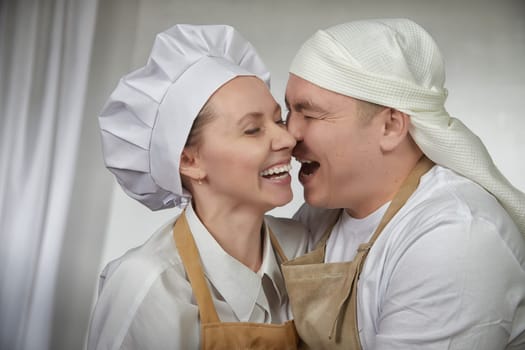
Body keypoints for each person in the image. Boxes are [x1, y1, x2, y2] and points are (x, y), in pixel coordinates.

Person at [281, 18, 525, 349]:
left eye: (310, 114)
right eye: (288, 111)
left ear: (391, 126)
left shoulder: (455, 237)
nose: (287, 135)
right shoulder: (319, 216)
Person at [87, 24, 307, 350]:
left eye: (278, 120)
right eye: (252, 130)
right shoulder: (149, 283)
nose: (287, 139)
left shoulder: (305, 248)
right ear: (190, 161)